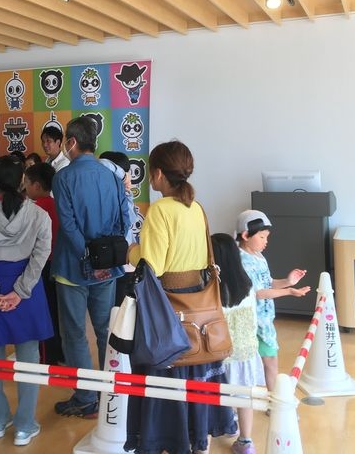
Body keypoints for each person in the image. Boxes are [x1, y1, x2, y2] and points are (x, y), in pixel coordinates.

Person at [125, 140, 235, 454]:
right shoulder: (195, 208)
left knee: (165, 375)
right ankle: (198, 439)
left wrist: (131, 251)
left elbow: (153, 265)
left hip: (167, 307)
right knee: (195, 373)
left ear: (158, 173)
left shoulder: (160, 210)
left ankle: (167, 440)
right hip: (198, 307)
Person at [0, 155, 53, 447]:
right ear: (23, 181)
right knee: (29, 360)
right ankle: (24, 426)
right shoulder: (39, 216)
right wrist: (20, 291)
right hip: (26, 293)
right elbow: (40, 257)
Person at [51, 117, 130, 418]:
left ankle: (85, 397)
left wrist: (87, 256)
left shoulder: (63, 178)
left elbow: (68, 224)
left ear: (71, 142)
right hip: (108, 268)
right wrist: (103, 259)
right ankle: (109, 392)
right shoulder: (112, 176)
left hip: (73, 268)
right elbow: (124, 221)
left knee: (74, 334)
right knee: (105, 331)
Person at [236, 210, 311, 392]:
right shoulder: (241, 260)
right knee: (265, 361)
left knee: (269, 361)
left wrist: (288, 281)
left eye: (266, 237)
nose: (266, 241)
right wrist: (288, 292)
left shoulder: (258, 256)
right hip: (252, 322)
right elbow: (259, 293)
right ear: (245, 235)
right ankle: (269, 399)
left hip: (264, 320)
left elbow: (268, 283)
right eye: (262, 237)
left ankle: (272, 399)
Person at [212, 233, 265, 454]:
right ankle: (246, 442)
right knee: (244, 397)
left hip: (222, 354)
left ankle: (213, 434)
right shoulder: (247, 284)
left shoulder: (213, 288)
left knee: (213, 396)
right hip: (247, 352)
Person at [23, 161, 64, 365]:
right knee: (56, 312)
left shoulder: (36, 209)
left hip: (42, 265)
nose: (25, 187)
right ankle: (59, 353)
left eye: (27, 183)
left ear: (37, 185)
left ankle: (48, 357)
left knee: (44, 312)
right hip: (57, 264)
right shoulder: (58, 205)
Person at [98, 151, 138, 306]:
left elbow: (129, 220)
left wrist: (122, 179)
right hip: (112, 263)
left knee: (120, 315)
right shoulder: (110, 194)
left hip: (124, 265)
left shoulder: (123, 194)